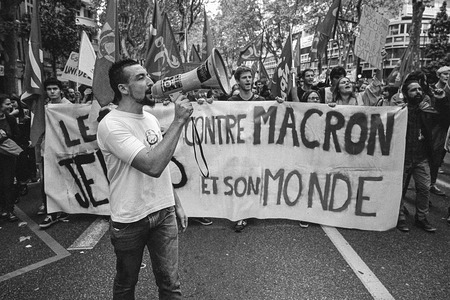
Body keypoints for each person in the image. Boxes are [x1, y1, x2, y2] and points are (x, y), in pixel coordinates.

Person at [97, 59, 191, 299]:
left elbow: (163, 161)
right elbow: (152, 165)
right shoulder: (111, 125)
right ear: (123, 88)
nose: (150, 82)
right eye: (140, 77)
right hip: (130, 219)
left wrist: (176, 203)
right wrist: (179, 120)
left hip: (164, 212)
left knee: (171, 285)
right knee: (126, 285)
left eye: (148, 76)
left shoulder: (149, 118)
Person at [396, 71, 448, 233]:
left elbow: (444, 119)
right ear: (406, 93)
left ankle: (421, 218)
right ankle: (399, 217)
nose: (418, 92)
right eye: (413, 90)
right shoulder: (398, 111)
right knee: (400, 189)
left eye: (419, 89)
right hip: (402, 157)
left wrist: (442, 100)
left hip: (421, 158)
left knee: (424, 188)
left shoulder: (427, 109)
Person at [227, 66, 267, 232]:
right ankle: (241, 215)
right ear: (237, 81)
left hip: (256, 148)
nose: (248, 80)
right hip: (238, 149)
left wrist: (279, 105)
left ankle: (252, 209)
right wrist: (205, 105)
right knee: (239, 179)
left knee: (253, 179)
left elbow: (270, 122)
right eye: (244, 78)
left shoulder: (262, 100)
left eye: (250, 77)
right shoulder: (230, 102)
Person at [38, 78, 71, 228]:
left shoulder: (68, 106)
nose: (52, 92)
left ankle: (63, 208)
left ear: (60, 90)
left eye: (55, 89)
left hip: (64, 148)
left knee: (64, 179)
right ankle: (50, 211)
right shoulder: (43, 107)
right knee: (47, 180)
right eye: (49, 89)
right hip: (48, 148)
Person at [428, 66, 450, 196]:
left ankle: (432, 183)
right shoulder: (431, 89)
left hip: (443, 127)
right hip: (432, 126)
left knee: (438, 156)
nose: (447, 77)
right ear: (439, 75)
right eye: (445, 74)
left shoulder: (449, 91)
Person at [0, 94, 20, 222]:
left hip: (8, 156)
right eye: (7, 104)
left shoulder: (11, 119)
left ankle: (9, 209)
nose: (10, 106)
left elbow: (17, 136)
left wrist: (5, 136)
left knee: (8, 183)